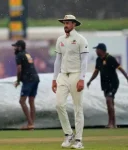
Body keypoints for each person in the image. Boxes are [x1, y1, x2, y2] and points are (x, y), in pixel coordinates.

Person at [52, 15, 89, 149]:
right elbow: (57, 60)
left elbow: (84, 61)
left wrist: (82, 79)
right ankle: (68, 134)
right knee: (59, 104)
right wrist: (54, 79)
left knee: (78, 108)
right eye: (64, 22)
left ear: (74, 24)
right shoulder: (60, 39)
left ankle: (79, 140)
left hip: (76, 74)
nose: (65, 25)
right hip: (63, 75)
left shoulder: (80, 39)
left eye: (68, 23)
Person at [87, 43, 128, 129]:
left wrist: (127, 78)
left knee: (109, 100)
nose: (95, 51)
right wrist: (90, 80)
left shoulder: (110, 58)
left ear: (101, 50)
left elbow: (120, 68)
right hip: (105, 83)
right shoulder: (98, 59)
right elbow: (96, 71)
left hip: (113, 83)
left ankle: (110, 123)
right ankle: (114, 124)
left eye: (97, 49)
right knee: (110, 102)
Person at [12, 40, 40, 130]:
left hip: (28, 79)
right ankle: (31, 124)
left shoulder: (19, 55)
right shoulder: (27, 54)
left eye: (16, 47)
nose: (14, 48)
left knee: (22, 101)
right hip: (35, 78)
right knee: (31, 101)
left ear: (19, 47)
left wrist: (18, 80)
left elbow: (19, 69)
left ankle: (30, 123)